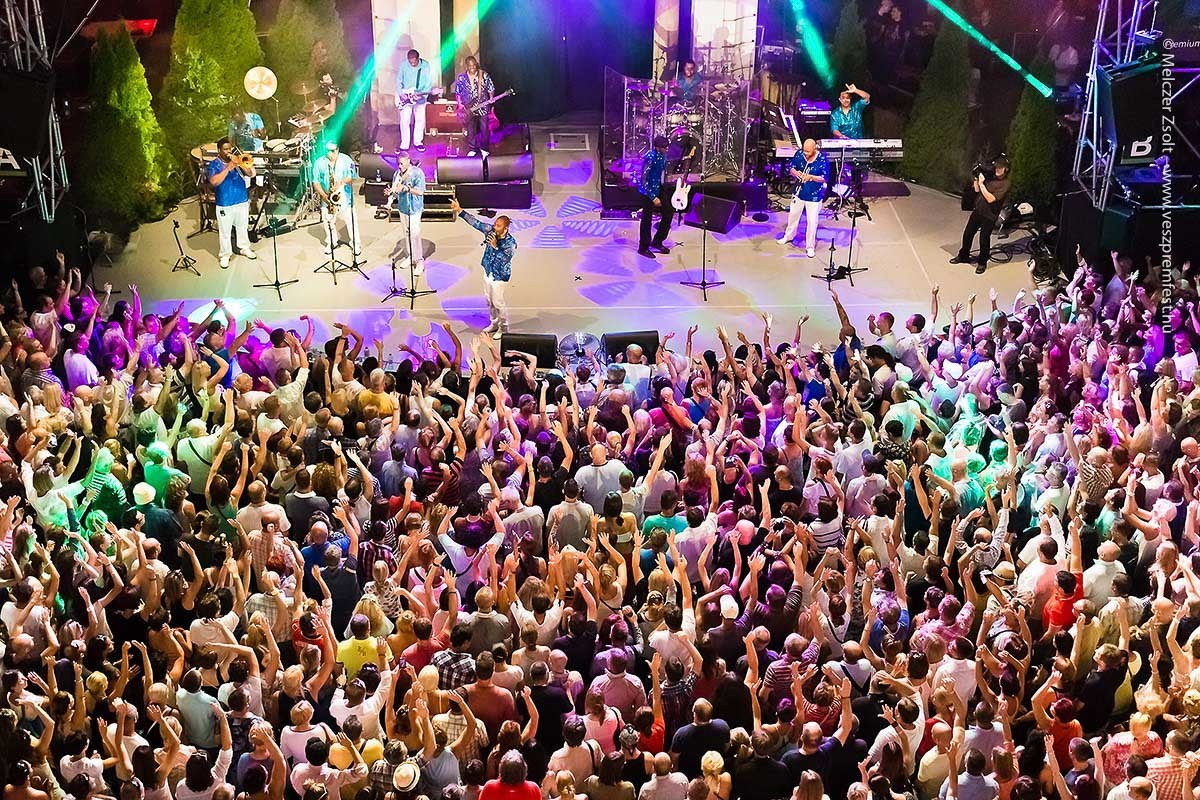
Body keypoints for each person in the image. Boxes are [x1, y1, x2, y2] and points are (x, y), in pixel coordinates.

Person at [449, 197, 517, 338]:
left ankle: (503, 327)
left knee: (498, 302)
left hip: (499, 275)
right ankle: (494, 323)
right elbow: (476, 223)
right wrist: (460, 210)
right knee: (488, 300)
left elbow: (505, 259)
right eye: (495, 224)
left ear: (505, 228)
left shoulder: (510, 243)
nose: (495, 227)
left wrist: (495, 246)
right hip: (488, 270)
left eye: (498, 226)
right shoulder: (490, 231)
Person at [950, 156, 1010, 274]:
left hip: (990, 215)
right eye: (996, 167)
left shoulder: (1005, 183)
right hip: (978, 211)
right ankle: (963, 256)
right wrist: (976, 178)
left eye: (1000, 168)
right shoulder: (990, 177)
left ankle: (982, 262)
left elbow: (991, 199)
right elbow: (977, 190)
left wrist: (982, 184)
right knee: (968, 234)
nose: (997, 169)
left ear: (1006, 169)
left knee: (984, 239)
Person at [206, 137, 258, 270]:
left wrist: (241, 164)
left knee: (242, 227)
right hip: (225, 203)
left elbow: (251, 174)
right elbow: (214, 182)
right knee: (225, 231)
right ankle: (225, 255)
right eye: (225, 149)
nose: (228, 151)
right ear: (219, 150)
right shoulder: (213, 165)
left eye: (229, 148)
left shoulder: (237, 161)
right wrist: (228, 168)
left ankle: (244, 248)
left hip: (241, 200)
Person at [312, 141, 362, 257]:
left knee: (351, 221)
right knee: (328, 221)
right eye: (328, 151)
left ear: (338, 149)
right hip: (327, 197)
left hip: (344, 196)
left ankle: (356, 244)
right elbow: (315, 181)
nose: (330, 154)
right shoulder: (319, 162)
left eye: (333, 151)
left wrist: (341, 182)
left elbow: (352, 176)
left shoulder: (346, 160)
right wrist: (324, 196)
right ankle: (331, 241)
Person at [779, 138, 828, 257]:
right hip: (799, 191)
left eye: (808, 151)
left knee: (812, 221)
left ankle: (810, 246)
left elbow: (824, 178)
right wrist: (796, 173)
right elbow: (791, 167)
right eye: (804, 151)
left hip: (814, 195)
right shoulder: (799, 154)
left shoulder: (822, 159)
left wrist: (811, 177)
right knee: (793, 216)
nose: (805, 154)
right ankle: (788, 236)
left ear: (814, 148)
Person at [385, 151, 427, 276]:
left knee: (414, 234)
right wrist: (390, 192)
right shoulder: (397, 174)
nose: (399, 166)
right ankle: (411, 256)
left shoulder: (417, 173)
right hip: (402, 208)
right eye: (398, 163)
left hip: (414, 209)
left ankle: (419, 261)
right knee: (407, 233)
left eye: (402, 163)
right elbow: (396, 191)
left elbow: (420, 191)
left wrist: (406, 188)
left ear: (408, 161)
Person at [636, 135, 673, 260]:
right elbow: (643, 180)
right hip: (647, 191)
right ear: (658, 147)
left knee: (668, 211)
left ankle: (657, 241)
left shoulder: (663, 156)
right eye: (664, 147)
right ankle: (643, 247)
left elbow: (661, 172)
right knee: (647, 219)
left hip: (658, 187)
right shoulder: (650, 158)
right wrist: (652, 197)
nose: (667, 149)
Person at [453, 57, 497, 156]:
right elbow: (458, 92)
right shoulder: (461, 78)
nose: (472, 67)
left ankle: (484, 149)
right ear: (466, 66)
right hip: (468, 108)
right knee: (471, 129)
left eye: (474, 65)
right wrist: (459, 104)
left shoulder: (484, 75)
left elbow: (491, 88)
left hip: (482, 106)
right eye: (470, 66)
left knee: (484, 128)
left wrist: (491, 97)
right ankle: (472, 148)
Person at [396, 48, 433, 152]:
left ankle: (418, 142)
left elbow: (428, 83)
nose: (412, 64)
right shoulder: (404, 65)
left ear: (418, 58)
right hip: (406, 97)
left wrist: (422, 95)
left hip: (420, 97)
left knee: (420, 120)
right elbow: (398, 80)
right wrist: (401, 94)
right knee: (405, 120)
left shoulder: (425, 66)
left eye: (414, 62)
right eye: (410, 62)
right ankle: (404, 144)